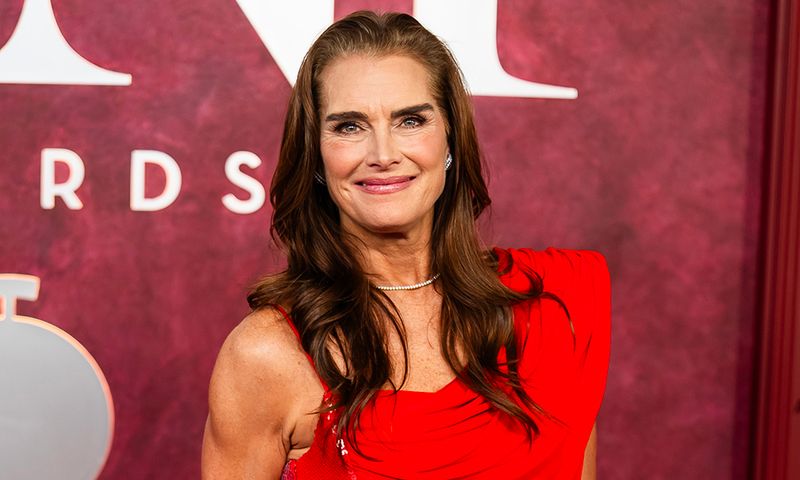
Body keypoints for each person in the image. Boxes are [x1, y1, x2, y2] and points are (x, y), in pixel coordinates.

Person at [201, 10, 611, 480]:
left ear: (450, 137)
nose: (383, 154)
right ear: (315, 152)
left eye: (411, 120)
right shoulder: (266, 355)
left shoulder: (553, 311)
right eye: (349, 126)